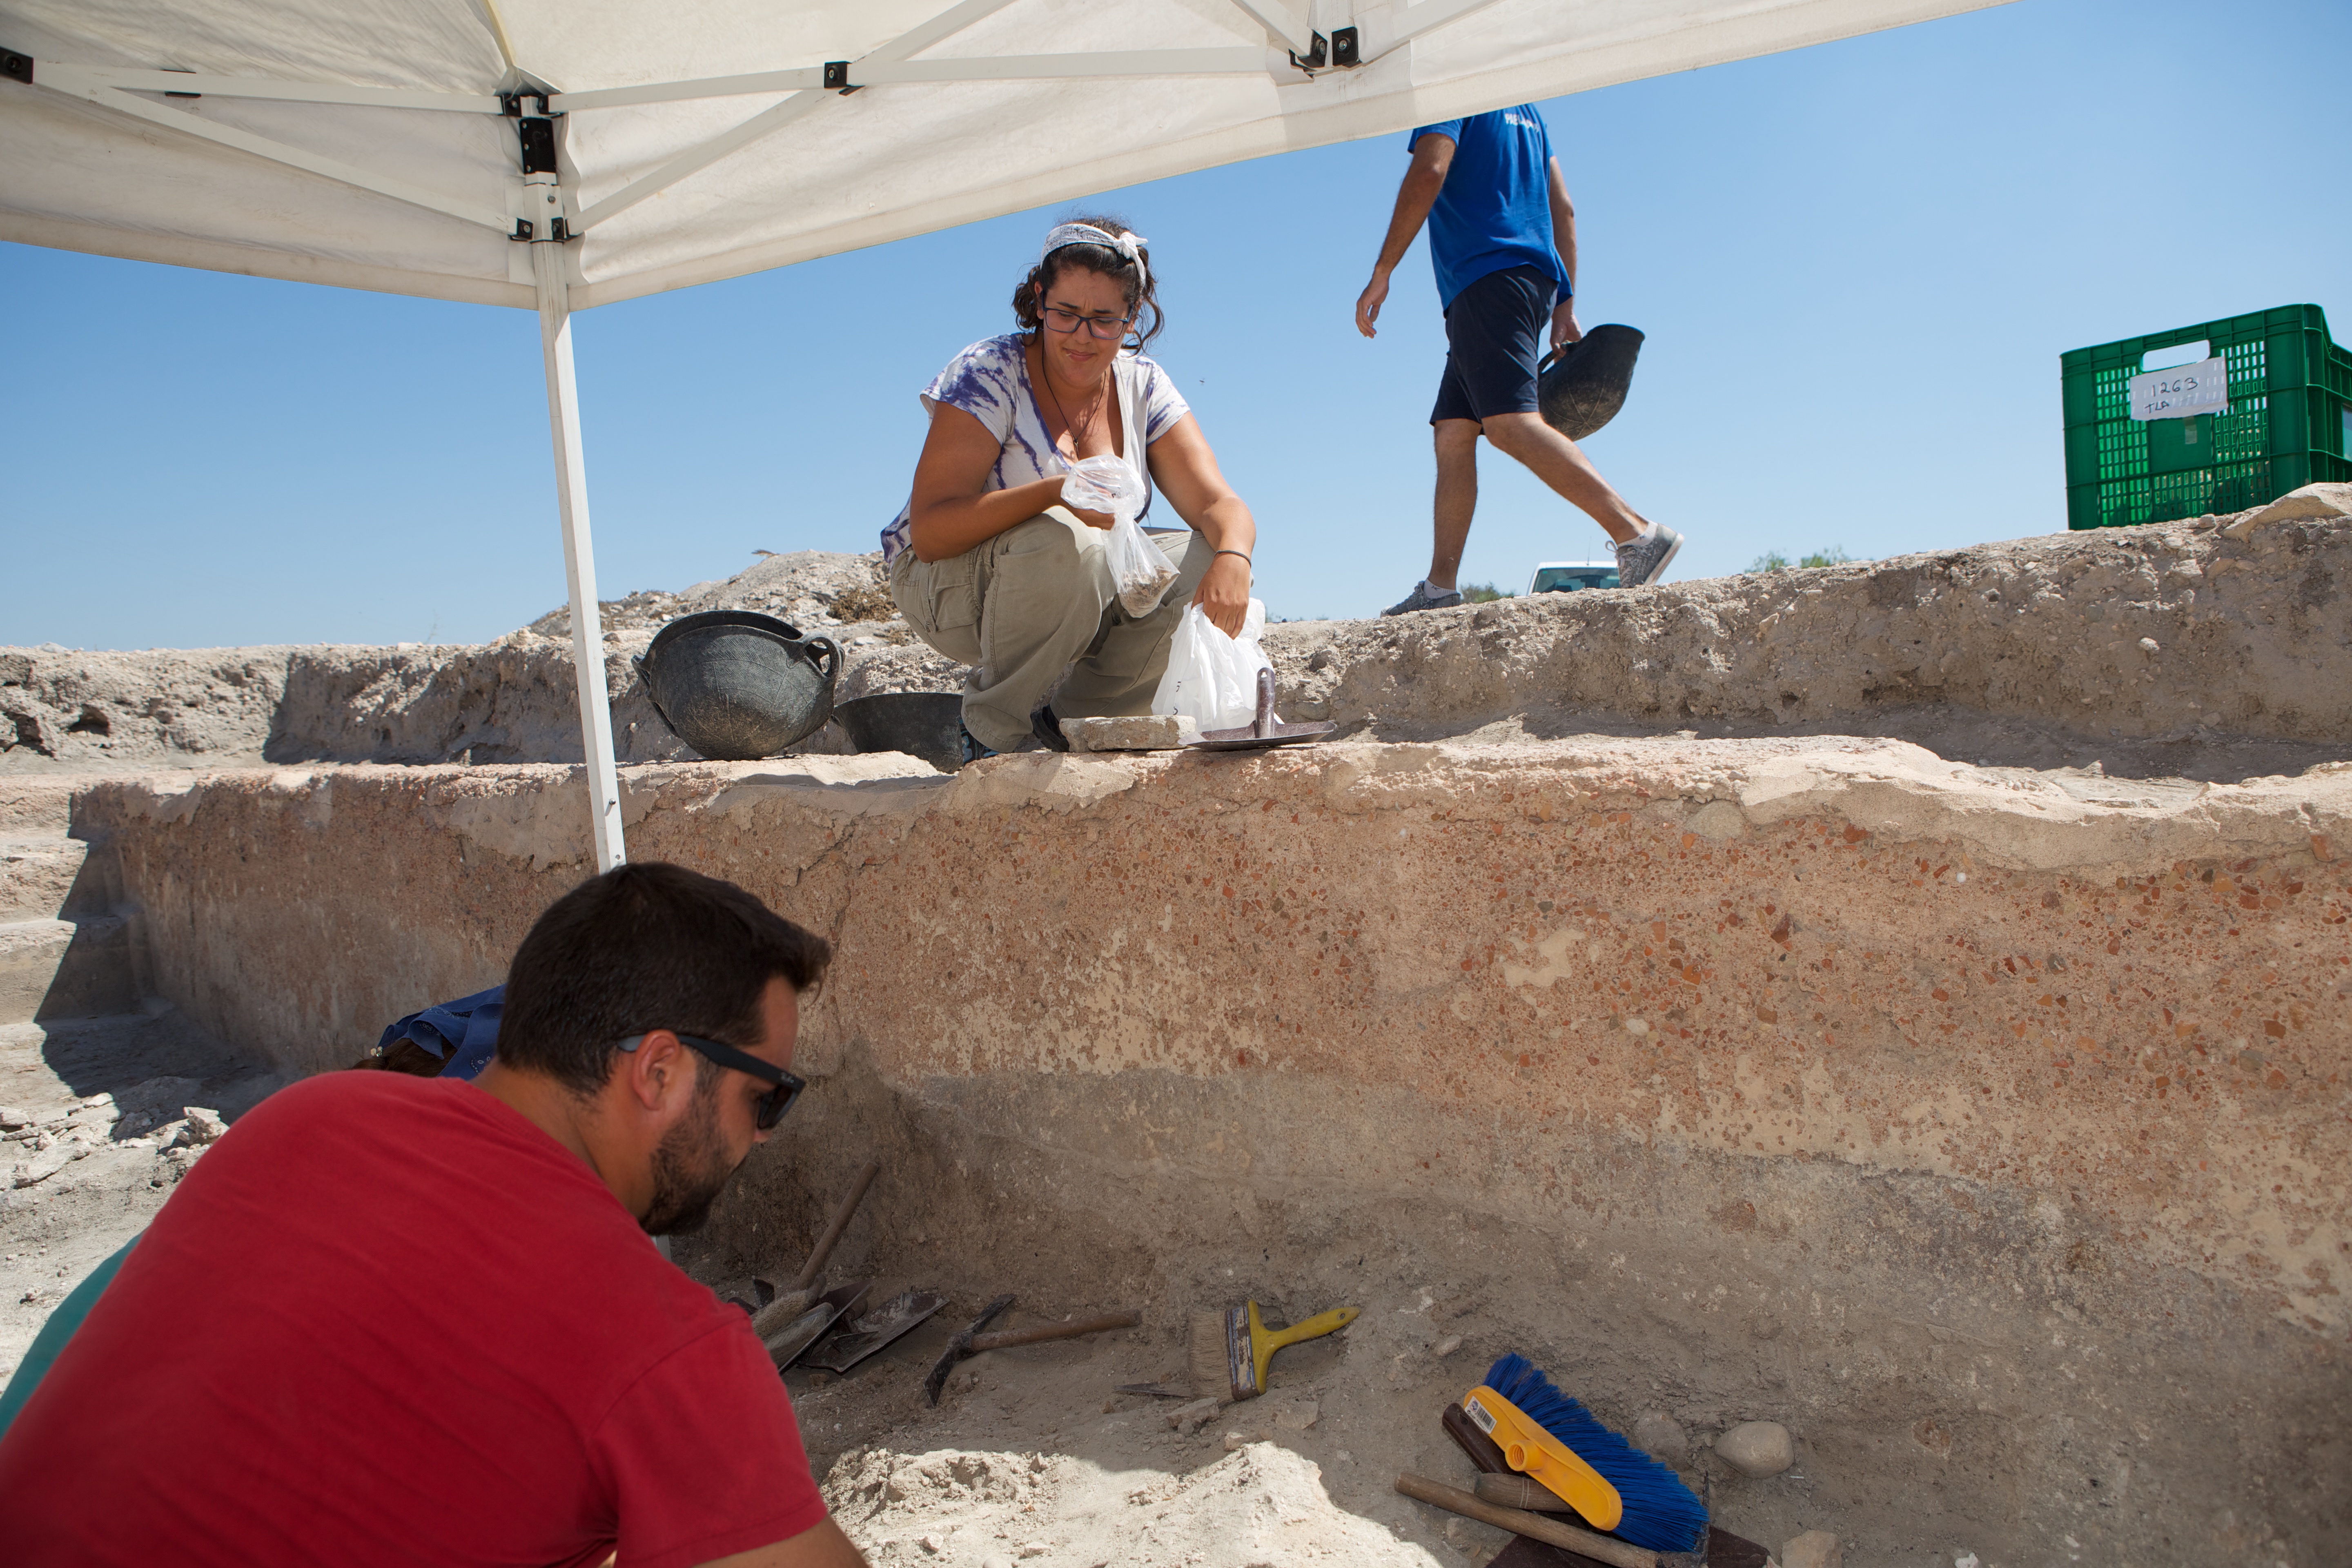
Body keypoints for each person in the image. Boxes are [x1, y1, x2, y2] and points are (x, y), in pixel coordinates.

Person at [0, 862, 869, 1568]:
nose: (761, 1139)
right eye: (769, 1098)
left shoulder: (305, 1118)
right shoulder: (663, 1346)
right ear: (660, 1073)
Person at [886, 216, 1260, 762]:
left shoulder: (1144, 384)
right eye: (1066, 314)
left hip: (1077, 584)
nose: (1082, 336)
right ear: (1039, 300)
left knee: (1204, 556)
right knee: (1070, 540)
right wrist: (1054, 493)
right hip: (950, 588)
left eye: (1104, 320)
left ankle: (1069, 728)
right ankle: (991, 735)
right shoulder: (989, 371)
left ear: (1131, 318)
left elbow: (1219, 504)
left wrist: (1234, 556)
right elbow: (932, 533)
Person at [1354, 105, 1683, 613]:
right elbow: (1564, 208)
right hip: (1525, 280)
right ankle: (1440, 587)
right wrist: (1566, 302)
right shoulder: (1527, 111)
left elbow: (1430, 171)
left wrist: (1383, 269)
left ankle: (1637, 533)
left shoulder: (1453, 92)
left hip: (1488, 277)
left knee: (1509, 423)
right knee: (1454, 431)